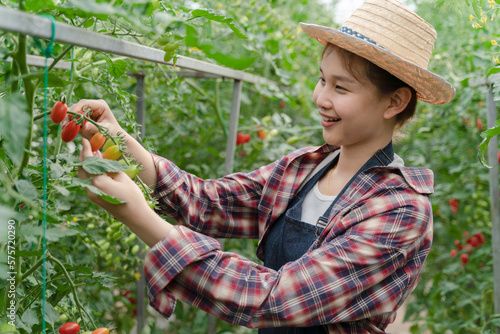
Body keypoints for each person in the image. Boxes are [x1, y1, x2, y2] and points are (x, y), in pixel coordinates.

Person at [75, 0, 455, 332]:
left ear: (395, 102)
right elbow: (209, 202)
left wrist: (138, 216)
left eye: (341, 88)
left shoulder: (399, 211)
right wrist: (120, 141)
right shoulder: (304, 168)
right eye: (322, 80)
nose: (320, 98)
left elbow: (274, 299)